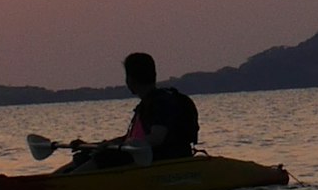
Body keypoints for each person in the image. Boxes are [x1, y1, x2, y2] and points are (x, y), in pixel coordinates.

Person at [42, 53, 200, 170]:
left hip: (163, 156)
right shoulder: (147, 104)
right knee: (86, 155)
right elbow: (132, 139)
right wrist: (96, 145)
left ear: (130, 79)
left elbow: (156, 138)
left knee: (105, 157)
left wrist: (123, 145)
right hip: (143, 153)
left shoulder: (160, 102)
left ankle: (66, 186)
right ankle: (54, 181)